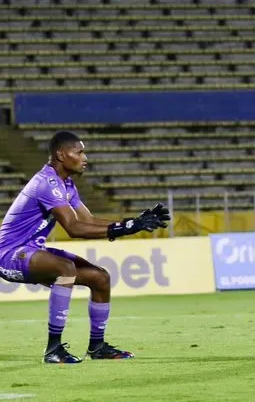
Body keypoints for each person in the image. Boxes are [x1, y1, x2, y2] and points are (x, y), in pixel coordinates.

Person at [0, 131, 170, 364]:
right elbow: (75, 228)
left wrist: (131, 223)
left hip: (30, 250)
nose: (84, 157)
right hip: (9, 254)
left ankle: (98, 347)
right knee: (66, 269)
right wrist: (124, 229)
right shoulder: (47, 183)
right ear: (61, 154)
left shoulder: (66, 185)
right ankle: (53, 349)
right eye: (78, 152)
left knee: (100, 278)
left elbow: (88, 221)